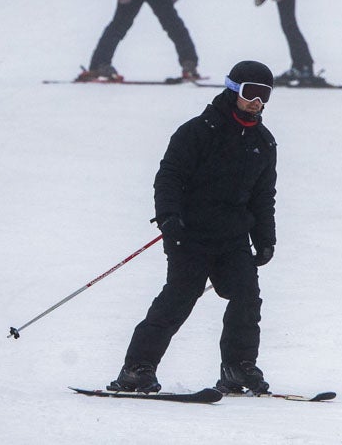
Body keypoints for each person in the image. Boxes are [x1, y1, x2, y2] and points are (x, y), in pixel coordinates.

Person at [108, 60, 278, 396]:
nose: (257, 102)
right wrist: (169, 217)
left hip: (233, 238)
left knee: (246, 298)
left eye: (264, 96)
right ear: (232, 91)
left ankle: (237, 368)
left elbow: (263, 196)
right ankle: (136, 369)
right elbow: (169, 176)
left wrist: (265, 239)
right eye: (250, 93)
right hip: (190, 234)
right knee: (179, 298)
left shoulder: (263, 142)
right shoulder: (199, 131)